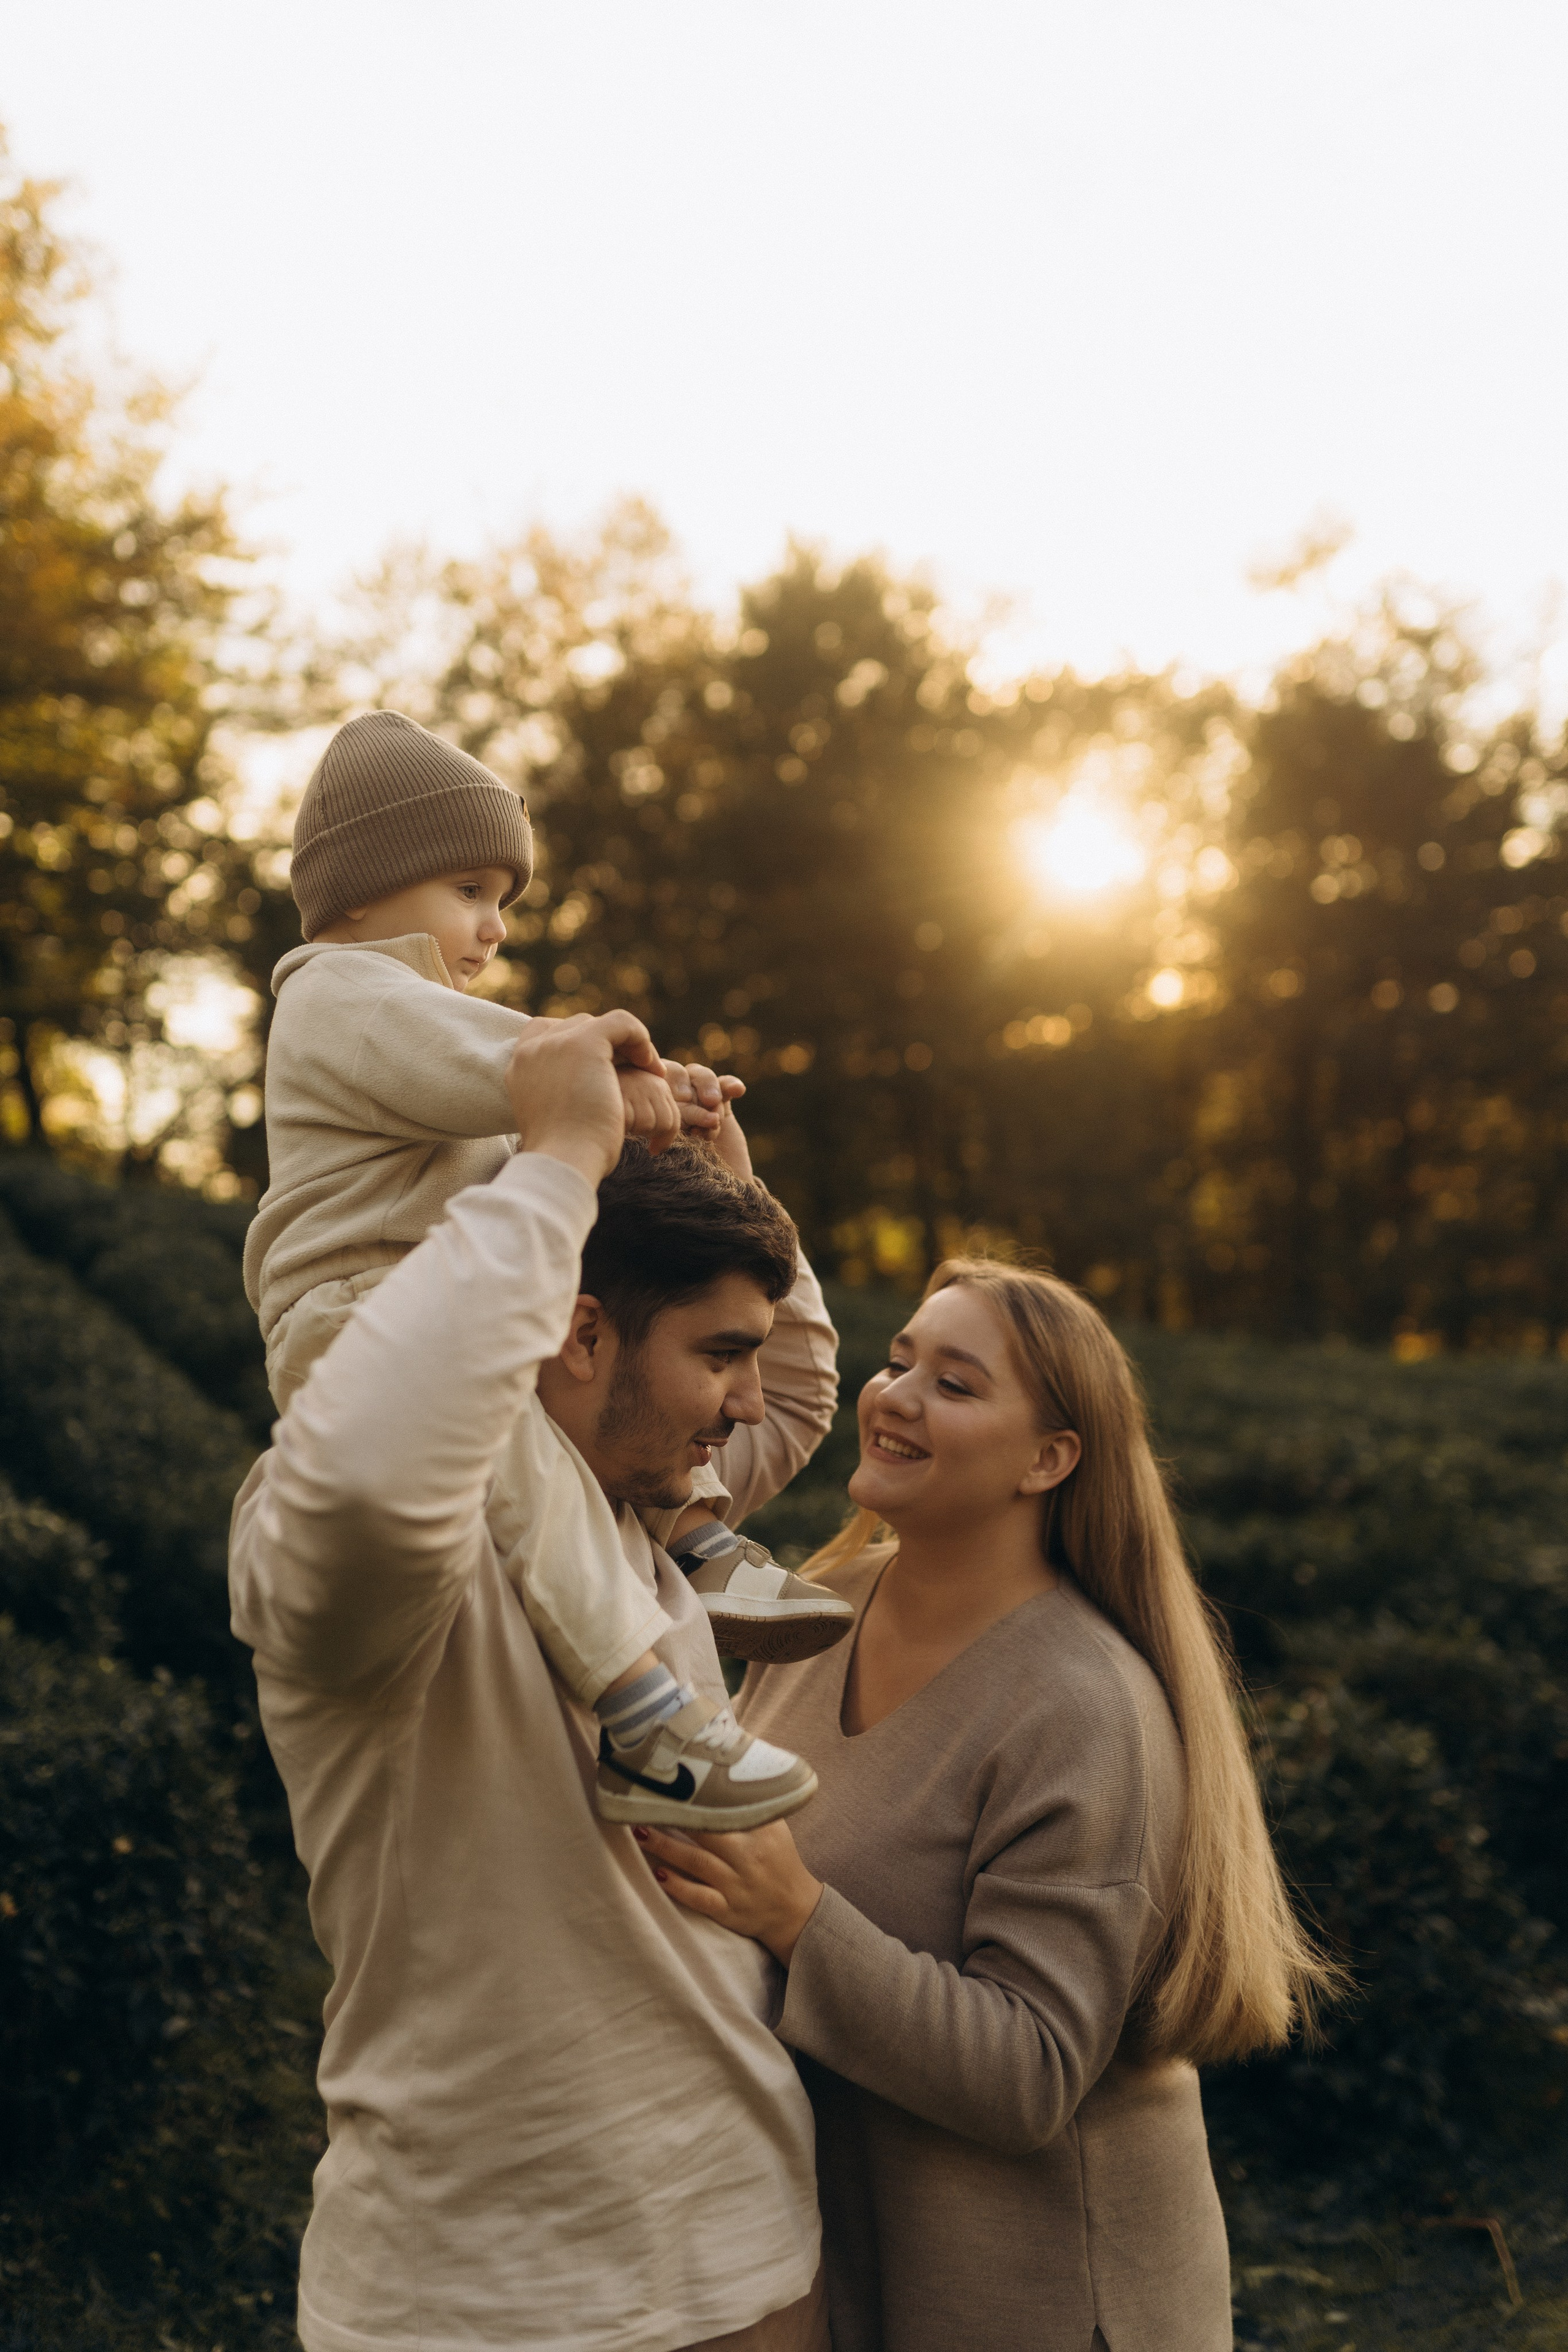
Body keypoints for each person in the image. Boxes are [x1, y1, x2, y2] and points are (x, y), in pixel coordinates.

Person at [228, 1011, 839, 2351]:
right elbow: (379, 1470)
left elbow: (796, 1399)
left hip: (752, 2249)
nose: (743, 1404)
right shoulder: (375, 1556)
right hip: (487, 2300)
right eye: (716, 1354)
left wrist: (729, 1176)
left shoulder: (645, 1500)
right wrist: (558, 1159)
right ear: (573, 1338)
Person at [637, 1259, 1340, 2352]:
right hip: (856, 2261)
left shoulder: (1081, 1705)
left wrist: (795, 1914)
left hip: (1042, 2300)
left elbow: (1032, 2073)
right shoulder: (832, 1606)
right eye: (900, 1359)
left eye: (957, 1385)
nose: (897, 1395)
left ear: (1050, 1459)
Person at [244, 707, 850, 1823]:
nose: (493, 927)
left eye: (504, 903)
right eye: (471, 890)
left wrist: (704, 1148)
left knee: (561, 1452)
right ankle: (645, 1715)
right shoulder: (338, 994)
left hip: (437, 1304)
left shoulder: (412, 1021)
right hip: (362, 1324)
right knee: (527, 1467)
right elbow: (523, 1072)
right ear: (361, 891)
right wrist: (623, 1073)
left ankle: (700, 1534)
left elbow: (539, 1134)